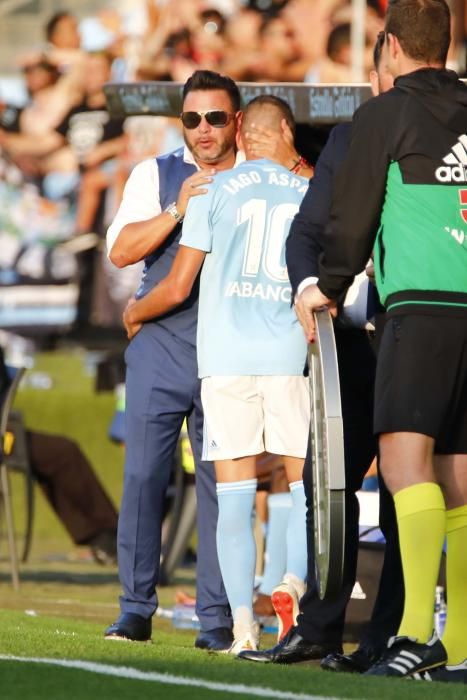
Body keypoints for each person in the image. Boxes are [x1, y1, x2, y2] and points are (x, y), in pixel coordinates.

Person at [104, 70, 310, 649]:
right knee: (145, 474)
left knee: (226, 486)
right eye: (192, 119)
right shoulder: (158, 173)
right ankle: (135, 608)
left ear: (237, 121)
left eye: (216, 118)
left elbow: (315, 193)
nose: (203, 130)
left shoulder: (264, 174)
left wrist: (137, 312)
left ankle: (219, 619)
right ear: (181, 123)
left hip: (231, 346)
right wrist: (175, 208)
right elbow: (120, 250)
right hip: (166, 343)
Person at [295, 0, 467, 683]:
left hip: (420, 309)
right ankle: (456, 648)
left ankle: (411, 634)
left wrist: (326, 285)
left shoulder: (384, 113)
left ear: (389, 47)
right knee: (458, 478)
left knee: (403, 466)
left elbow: (352, 213)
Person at [237, 31, 399, 670]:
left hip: (406, 329)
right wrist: (310, 288)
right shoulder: (352, 136)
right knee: (323, 486)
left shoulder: (441, 137)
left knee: (400, 486)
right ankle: (320, 627)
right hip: (345, 339)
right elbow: (310, 229)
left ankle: (389, 637)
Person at [0, 348, 118, 563]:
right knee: (61, 453)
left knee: (60, 454)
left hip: (6, 433)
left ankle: (105, 537)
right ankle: (107, 537)